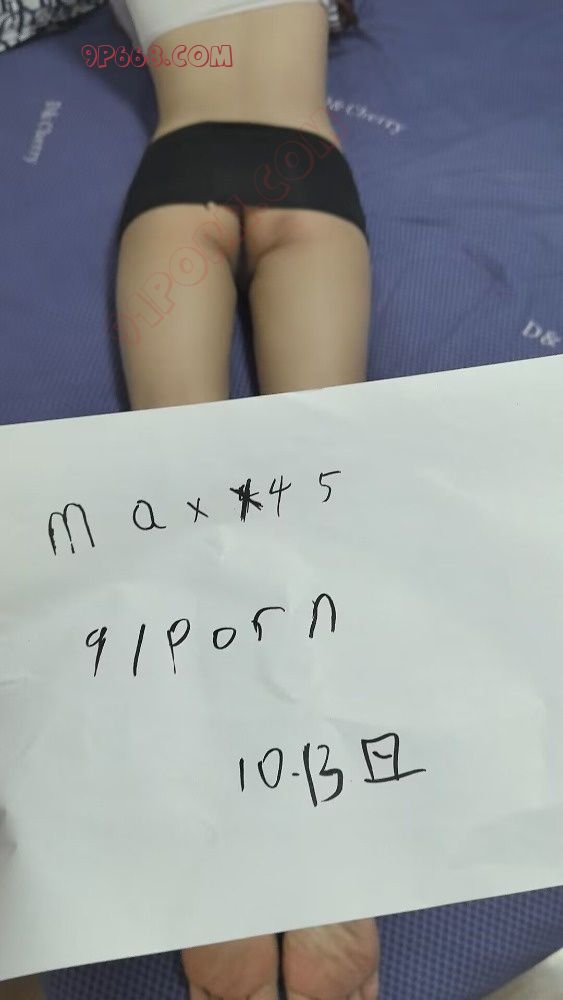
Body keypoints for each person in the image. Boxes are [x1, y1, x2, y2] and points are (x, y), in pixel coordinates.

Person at [109, 1, 379, 998]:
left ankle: (220, 856)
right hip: (306, 168)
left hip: (180, 171)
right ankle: (328, 863)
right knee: (314, 525)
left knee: (186, 516)